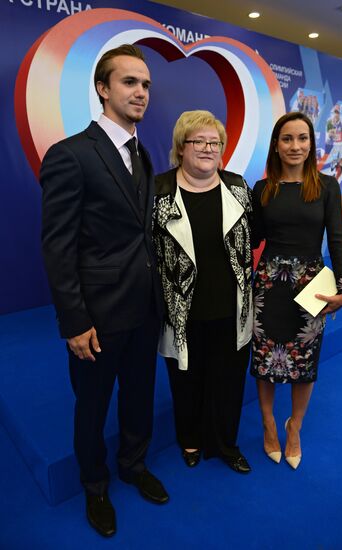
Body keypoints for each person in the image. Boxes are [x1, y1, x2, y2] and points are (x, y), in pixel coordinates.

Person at [40, 44, 168, 538]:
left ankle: (133, 465)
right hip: (96, 315)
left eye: (146, 85)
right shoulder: (70, 154)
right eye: (130, 82)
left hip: (144, 309)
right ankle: (95, 485)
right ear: (102, 89)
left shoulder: (142, 152)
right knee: (91, 407)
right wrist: (74, 321)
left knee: (139, 395)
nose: (141, 93)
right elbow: (58, 247)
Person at [251, 112, 342, 469]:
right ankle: (268, 424)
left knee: (304, 363)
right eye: (287, 139)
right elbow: (252, 239)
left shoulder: (327, 186)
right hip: (267, 287)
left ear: (311, 144)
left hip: (311, 287)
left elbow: (337, 241)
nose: (295, 146)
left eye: (302, 138)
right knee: (264, 361)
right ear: (276, 146)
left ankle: (293, 426)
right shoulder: (263, 189)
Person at [153, 110, 253, 473]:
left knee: (228, 383)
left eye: (215, 142)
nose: (209, 148)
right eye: (199, 142)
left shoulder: (238, 187)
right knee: (186, 381)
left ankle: (226, 444)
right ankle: (190, 440)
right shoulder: (159, 192)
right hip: (181, 311)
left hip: (231, 308)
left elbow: (251, 239)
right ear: (181, 148)